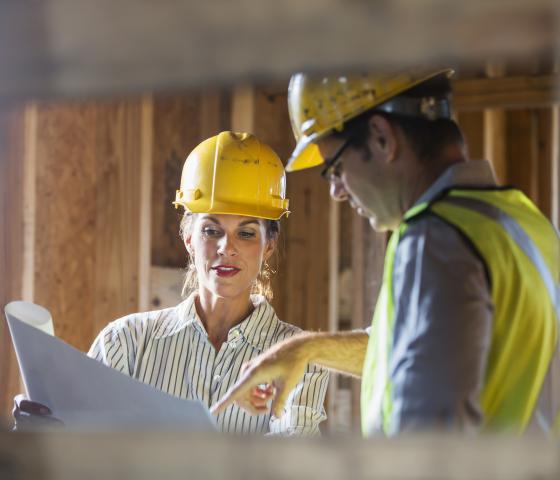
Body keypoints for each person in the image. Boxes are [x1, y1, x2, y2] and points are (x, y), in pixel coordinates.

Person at [212, 69, 560, 436]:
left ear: (381, 137)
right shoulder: (526, 224)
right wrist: (306, 349)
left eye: (336, 167)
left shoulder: (435, 239)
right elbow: (425, 349)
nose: (337, 192)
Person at [13, 131, 329, 435]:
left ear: (269, 246)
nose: (226, 247)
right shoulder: (124, 344)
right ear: (189, 237)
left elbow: (291, 465)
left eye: (246, 233)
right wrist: (47, 441)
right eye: (211, 230)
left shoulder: (299, 357)